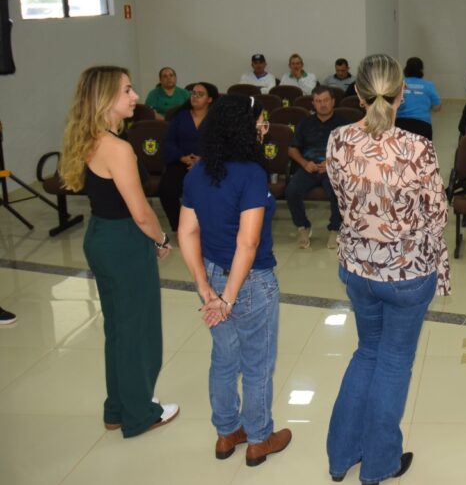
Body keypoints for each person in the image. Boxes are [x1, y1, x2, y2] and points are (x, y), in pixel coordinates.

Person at [325, 53, 451, 484]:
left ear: (358, 94)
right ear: (400, 96)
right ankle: (379, 465)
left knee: (366, 354)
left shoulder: (338, 140)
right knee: (394, 362)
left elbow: (341, 202)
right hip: (406, 275)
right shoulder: (417, 148)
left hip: (359, 269)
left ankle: (341, 456)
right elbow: (438, 214)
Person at [58, 66, 178, 437]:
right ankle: (141, 412)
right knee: (138, 330)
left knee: (119, 328)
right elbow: (141, 212)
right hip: (124, 240)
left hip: (100, 236)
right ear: (105, 98)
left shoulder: (89, 138)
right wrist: (160, 240)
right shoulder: (118, 148)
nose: (135, 96)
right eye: (126, 90)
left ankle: (116, 408)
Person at [177, 95, 292, 467]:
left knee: (225, 358)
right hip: (251, 282)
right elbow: (249, 241)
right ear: (242, 127)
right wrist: (227, 298)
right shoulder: (251, 173)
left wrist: (205, 288)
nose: (263, 127)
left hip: (212, 276)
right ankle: (259, 438)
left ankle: (227, 433)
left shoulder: (198, 172)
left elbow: (187, 233)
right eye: (259, 121)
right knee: (257, 362)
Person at [286, 86, 349, 249]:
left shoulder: (344, 124)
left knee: (337, 191)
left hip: (333, 168)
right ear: (313, 103)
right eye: (318, 101)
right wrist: (305, 163)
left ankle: (335, 228)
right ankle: (303, 226)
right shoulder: (305, 123)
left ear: (333, 101)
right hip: (309, 167)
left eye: (326, 100)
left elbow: (352, 150)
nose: (323, 104)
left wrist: (331, 163)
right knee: (291, 190)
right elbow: (292, 149)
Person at [157, 81, 217, 232]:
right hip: (180, 162)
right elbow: (169, 141)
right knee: (166, 189)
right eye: (193, 93)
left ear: (210, 99)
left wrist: (203, 160)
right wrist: (181, 157)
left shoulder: (217, 118)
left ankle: (206, 228)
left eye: (200, 94)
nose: (195, 97)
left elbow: (222, 143)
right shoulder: (180, 116)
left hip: (208, 164)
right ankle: (178, 227)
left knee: (211, 190)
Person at [395, 56, 441, 140]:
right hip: (422, 126)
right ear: (421, 70)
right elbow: (437, 107)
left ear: (406, 69)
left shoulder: (398, 84)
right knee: (423, 151)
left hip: (399, 124)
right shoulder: (428, 85)